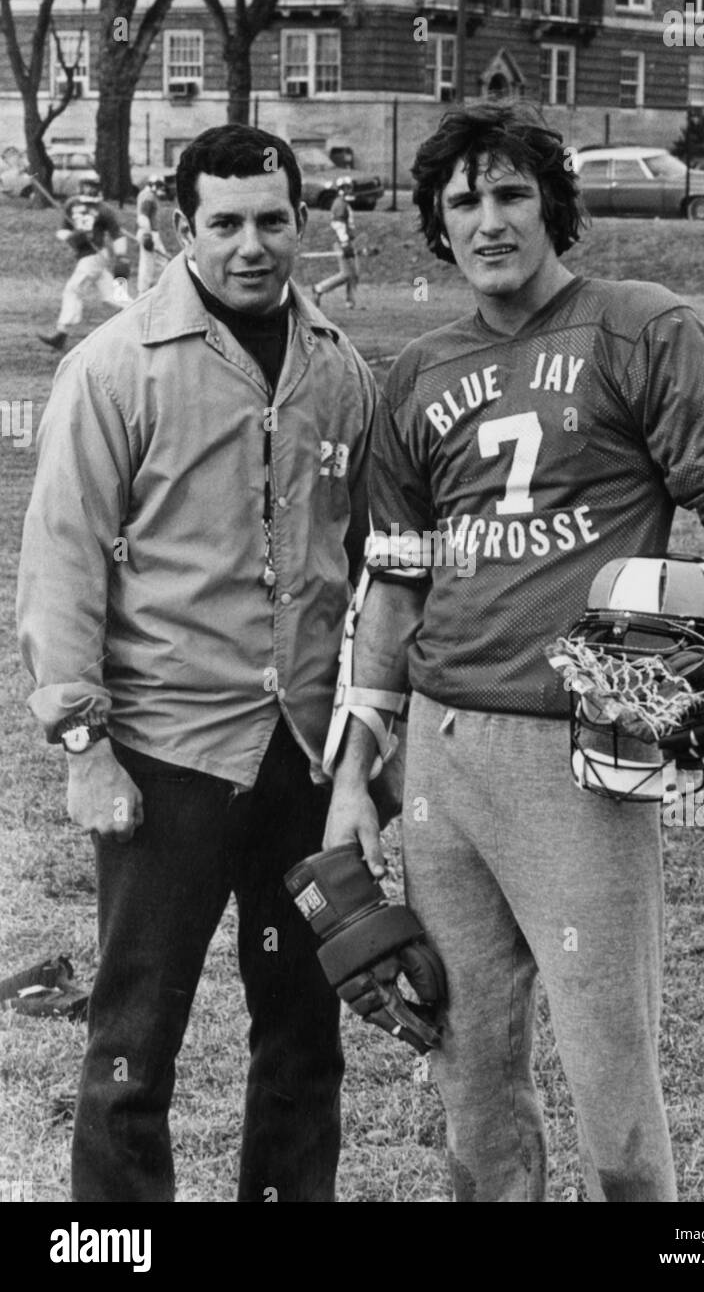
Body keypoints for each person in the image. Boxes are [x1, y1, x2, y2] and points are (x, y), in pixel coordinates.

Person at [322, 102, 704, 1203]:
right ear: (438, 229)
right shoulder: (415, 372)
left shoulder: (642, 324)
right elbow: (394, 580)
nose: (490, 220)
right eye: (463, 203)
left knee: (607, 1060)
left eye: (511, 194)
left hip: (579, 750)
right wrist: (357, 770)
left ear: (554, 203)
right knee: (469, 1060)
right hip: (441, 755)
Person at [18, 124, 377, 1202]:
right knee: (134, 1045)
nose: (251, 245)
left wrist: (367, 750)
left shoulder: (342, 371)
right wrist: (85, 748)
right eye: (223, 222)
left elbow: (364, 569)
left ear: (303, 223)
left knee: (303, 1035)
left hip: (302, 761)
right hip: (168, 757)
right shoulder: (114, 366)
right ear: (183, 228)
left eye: (273, 220)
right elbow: (62, 562)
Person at [37, 174, 131, 352]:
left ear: (99, 187)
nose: (89, 189)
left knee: (72, 290)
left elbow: (116, 234)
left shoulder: (104, 209)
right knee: (113, 296)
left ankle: (61, 332)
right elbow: (62, 230)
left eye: (92, 186)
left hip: (95, 254)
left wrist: (121, 255)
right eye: (86, 185)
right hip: (85, 254)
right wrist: (73, 237)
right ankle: (142, 314)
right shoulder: (71, 203)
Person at [313, 186, 358, 309]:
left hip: (347, 241)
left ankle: (350, 303)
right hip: (342, 242)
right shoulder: (340, 204)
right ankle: (319, 288)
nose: (350, 191)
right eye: (347, 188)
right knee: (346, 274)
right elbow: (338, 225)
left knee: (353, 273)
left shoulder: (343, 203)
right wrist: (345, 243)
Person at [135, 173, 169, 293]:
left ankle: (155, 289)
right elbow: (143, 217)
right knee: (148, 264)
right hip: (149, 233)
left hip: (150, 232)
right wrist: (147, 235)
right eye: (159, 185)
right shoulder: (148, 196)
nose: (161, 188)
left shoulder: (147, 195)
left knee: (160, 262)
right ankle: (143, 292)